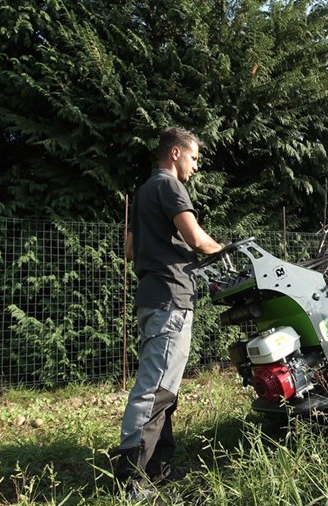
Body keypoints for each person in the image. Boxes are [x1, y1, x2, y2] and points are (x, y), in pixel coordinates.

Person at [115, 127, 224, 497]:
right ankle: (129, 480)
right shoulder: (170, 186)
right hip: (170, 300)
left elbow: (129, 251)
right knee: (155, 390)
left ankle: (159, 470)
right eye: (193, 158)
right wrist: (227, 250)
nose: (195, 166)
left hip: (150, 298)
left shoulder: (143, 192)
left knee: (166, 388)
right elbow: (196, 239)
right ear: (175, 153)